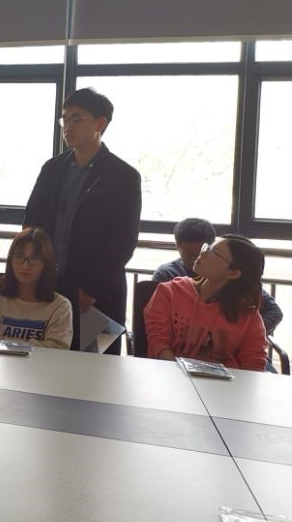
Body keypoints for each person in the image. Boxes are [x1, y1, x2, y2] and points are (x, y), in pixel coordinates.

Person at [24, 88, 141, 353]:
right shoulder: (52, 169)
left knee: (97, 367)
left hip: (98, 296)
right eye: (65, 119)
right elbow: (31, 224)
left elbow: (122, 240)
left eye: (77, 118)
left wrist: (91, 290)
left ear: (100, 123)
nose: (68, 126)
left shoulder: (123, 176)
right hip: (49, 286)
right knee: (43, 361)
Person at [144, 234, 267, 371]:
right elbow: (159, 340)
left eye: (214, 252)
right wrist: (179, 373)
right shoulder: (170, 292)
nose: (202, 254)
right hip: (170, 374)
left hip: (225, 382)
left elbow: (253, 364)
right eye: (208, 248)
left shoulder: (247, 314)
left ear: (232, 273)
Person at [153, 217, 283, 337]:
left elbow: (273, 311)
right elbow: (157, 326)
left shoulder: (233, 283)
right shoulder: (168, 278)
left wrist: (243, 335)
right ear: (178, 246)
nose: (198, 258)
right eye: (189, 254)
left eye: (207, 251)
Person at [0, 228, 73, 350]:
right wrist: (34, 345)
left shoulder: (60, 307)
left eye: (34, 258)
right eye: (19, 256)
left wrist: (3, 342)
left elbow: (57, 353)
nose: (25, 265)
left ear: (47, 263)